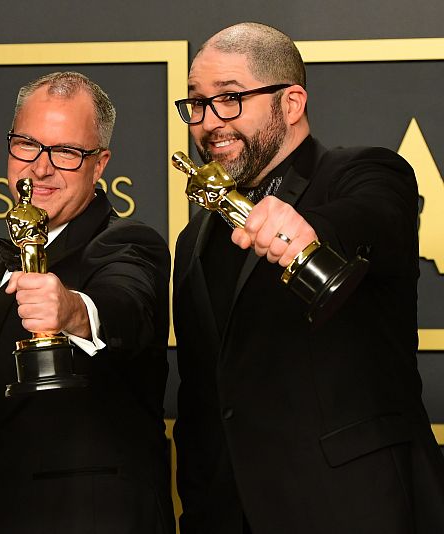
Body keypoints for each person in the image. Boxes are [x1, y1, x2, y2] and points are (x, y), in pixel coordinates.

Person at [172, 22, 444, 533]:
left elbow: (374, 218)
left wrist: (311, 228)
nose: (209, 122)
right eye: (197, 103)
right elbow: (203, 396)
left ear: (291, 103)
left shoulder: (364, 173)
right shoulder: (194, 240)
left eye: (230, 99)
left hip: (350, 509)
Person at [0, 71, 175, 533]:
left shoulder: (129, 244)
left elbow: (126, 304)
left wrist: (75, 310)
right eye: (28, 145)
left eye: (66, 152)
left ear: (100, 165)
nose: (41, 167)